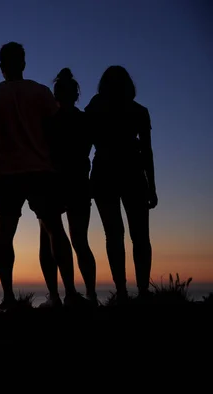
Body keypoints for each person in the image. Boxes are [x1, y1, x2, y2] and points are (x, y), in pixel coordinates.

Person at [0, 42, 90, 311]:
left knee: (6, 232)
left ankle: (9, 297)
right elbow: (55, 131)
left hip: (8, 173)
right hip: (42, 171)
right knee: (55, 230)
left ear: (2, 66)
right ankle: (71, 293)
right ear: (23, 63)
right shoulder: (40, 93)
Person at [84, 66, 157, 303]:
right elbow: (147, 152)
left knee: (114, 235)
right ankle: (142, 291)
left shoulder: (95, 108)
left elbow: (85, 149)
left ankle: (123, 292)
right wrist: (152, 186)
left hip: (105, 174)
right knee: (139, 236)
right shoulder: (138, 111)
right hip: (132, 174)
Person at [38, 68, 98, 307]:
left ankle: (57, 296)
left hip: (53, 183)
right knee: (80, 241)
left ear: (55, 95)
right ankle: (91, 294)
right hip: (80, 183)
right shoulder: (86, 120)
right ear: (76, 95)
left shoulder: (49, 123)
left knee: (48, 239)